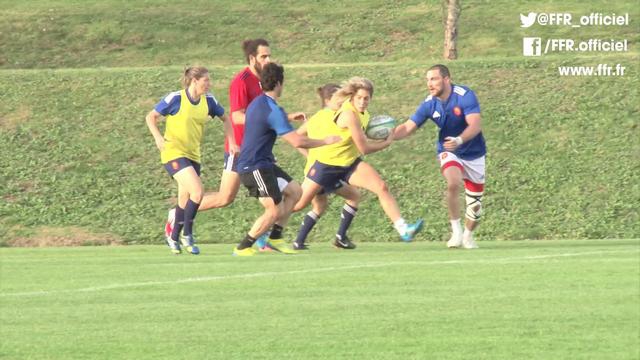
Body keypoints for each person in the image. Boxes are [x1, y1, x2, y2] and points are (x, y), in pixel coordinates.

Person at [163, 39, 305, 250]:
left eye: (269, 55)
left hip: (258, 150)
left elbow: (267, 111)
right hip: (239, 149)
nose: (268, 60)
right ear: (252, 58)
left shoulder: (263, 82)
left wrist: (284, 117)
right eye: (264, 56)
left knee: (290, 193)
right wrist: (264, 120)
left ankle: (269, 238)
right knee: (225, 197)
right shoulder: (241, 80)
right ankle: (178, 214)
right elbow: (236, 117)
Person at [292, 77, 424, 247]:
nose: (362, 102)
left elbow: (363, 135)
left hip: (348, 163)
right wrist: (386, 143)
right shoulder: (348, 115)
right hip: (326, 165)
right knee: (298, 205)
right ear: (352, 98)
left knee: (381, 187)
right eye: (359, 98)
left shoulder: (364, 114)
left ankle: (403, 229)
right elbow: (364, 148)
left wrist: (382, 132)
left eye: (366, 98)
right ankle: (266, 230)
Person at [233, 63, 340, 256]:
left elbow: (264, 122)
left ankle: (275, 237)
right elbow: (297, 141)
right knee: (274, 211)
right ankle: (244, 246)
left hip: (264, 163)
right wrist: (326, 141)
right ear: (279, 83)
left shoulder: (258, 103)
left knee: (295, 191)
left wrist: (288, 117)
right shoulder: (273, 109)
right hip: (253, 166)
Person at [393, 64, 485, 249]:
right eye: (427, 80)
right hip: (448, 150)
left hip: (474, 153)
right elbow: (407, 127)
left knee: (475, 209)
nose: (429, 84)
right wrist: (385, 136)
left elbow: (475, 125)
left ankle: (467, 235)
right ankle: (456, 231)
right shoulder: (429, 103)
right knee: (453, 182)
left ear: (446, 79)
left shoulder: (464, 95)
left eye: (433, 79)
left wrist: (459, 140)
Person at [146, 66, 235, 255]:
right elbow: (151, 117)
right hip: (173, 153)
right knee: (197, 191)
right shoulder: (176, 98)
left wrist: (232, 142)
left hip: (193, 155)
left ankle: (173, 236)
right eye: (206, 80)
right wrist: (158, 138)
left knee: (184, 200)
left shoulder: (209, 101)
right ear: (194, 81)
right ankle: (188, 234)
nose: (209, 84)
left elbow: (226, 119)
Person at [292, 83, 362, 250]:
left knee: (327, 203)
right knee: (297, 205)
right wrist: (310, 155)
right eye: (340, 98)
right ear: (328, 99)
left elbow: (297, 138)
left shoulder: (329, 115)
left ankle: (303, 241)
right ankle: (267, 230)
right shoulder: (326, 117)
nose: (344, 101)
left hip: (328, 169)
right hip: (321, 170)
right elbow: (296, 139)